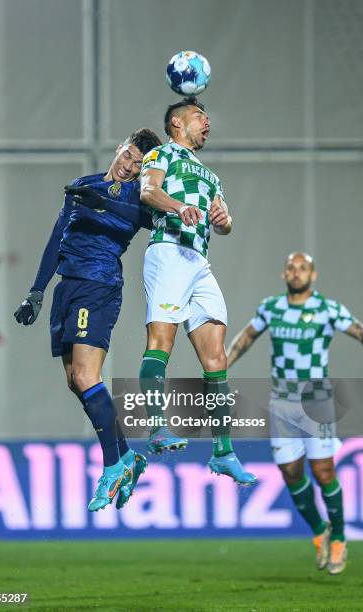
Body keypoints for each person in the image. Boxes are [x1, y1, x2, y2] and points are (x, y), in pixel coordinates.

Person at [14, 128, 162, 512]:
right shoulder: (84, 184)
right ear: (119, 148)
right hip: (67, 287)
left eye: (139, 163)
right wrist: (37, 291)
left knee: (85, 376)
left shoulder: (139, 195)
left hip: (99, 284)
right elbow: (57, 235)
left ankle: (112, 465)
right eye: (128, 155)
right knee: (75, 382)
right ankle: (128, 457)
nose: (129, 167)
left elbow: (143, 219)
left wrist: (104, 203)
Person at [137, 96, 257, 486]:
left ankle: (222, 453)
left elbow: (224, 222)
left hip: (198, 262)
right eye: (198, 117)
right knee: (162, 340)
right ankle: (156, 428)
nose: (207, 123)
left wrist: (224, 220)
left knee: (216, 358)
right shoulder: (161, 154)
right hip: (168, 251)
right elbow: (148, 192)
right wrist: (176, 206)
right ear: (177, 123)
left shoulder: (210, 175)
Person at [227, 251, 363, 574]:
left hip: (317, 400)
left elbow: (359, 331)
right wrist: (222, 368)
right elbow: (246, 338)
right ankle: (320, 531)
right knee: (290, 472)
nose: (296, 272)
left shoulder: (328, 309)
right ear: (283, 274)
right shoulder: (271, 308)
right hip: (282, 401)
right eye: (291, 267)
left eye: (303, 268)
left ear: (313, 276)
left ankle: (340, 538)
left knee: (323, 471)